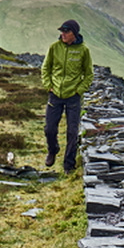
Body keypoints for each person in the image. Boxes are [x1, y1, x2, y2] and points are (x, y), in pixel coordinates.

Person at [41, 18, 92, 172]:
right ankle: (53, 149)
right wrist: (48, 86)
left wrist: (79, 90)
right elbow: (45, 68)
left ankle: (68, 164)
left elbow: (89, 74)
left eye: (66, 31)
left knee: (72, 132)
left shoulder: (83, 50)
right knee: (49, 129)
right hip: (55, 94)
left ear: (74, 34)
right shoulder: (54, 47)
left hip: (73, 98)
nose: (63, 34)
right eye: (61, 31)